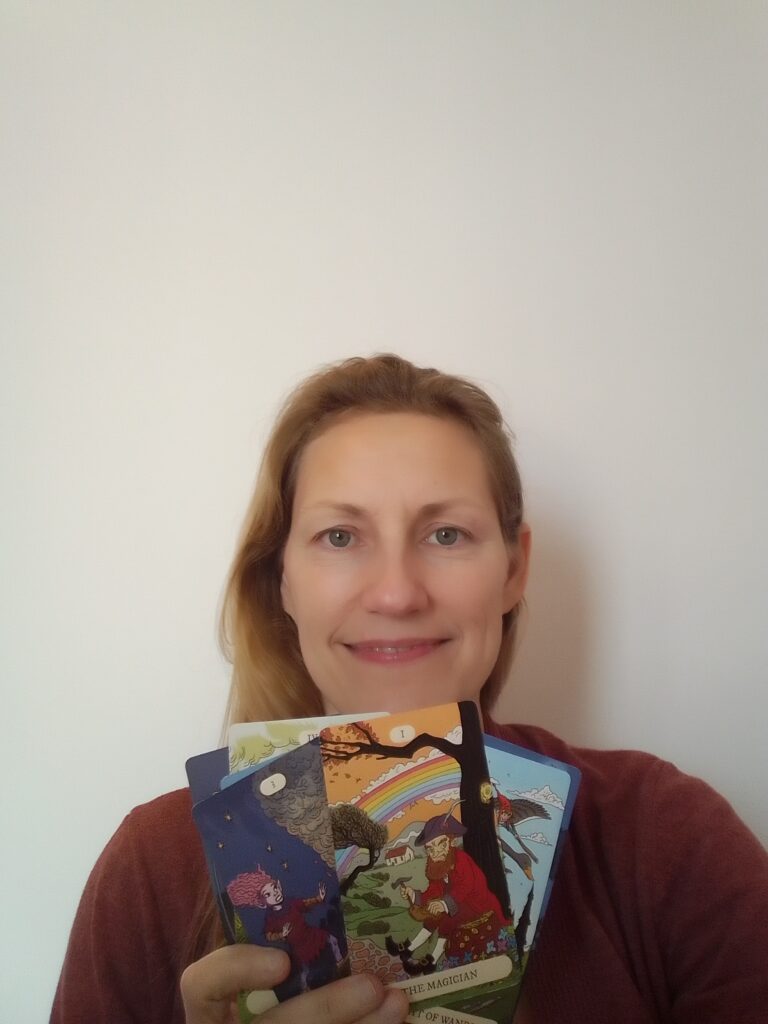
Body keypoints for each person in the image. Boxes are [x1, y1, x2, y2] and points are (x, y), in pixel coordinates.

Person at [51, 354, 768, 1024]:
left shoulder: (664, 836)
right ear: (282, 582)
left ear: (514, 570)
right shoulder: (150, 868)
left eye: (446, 534)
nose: (396, 594)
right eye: (340, 536)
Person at [385, 811, 513, 975]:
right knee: (432, 914)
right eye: (430, 848)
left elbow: (466, 886)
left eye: (440, 844)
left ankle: (431, 960)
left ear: (451, 841)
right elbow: (433, 890)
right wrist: (413, 894)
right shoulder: (436, 865)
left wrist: (444, 903)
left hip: (477, 903)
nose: (435, 852)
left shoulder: (461, 859)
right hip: (456, 902)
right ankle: (408, 949)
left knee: (446, 919)